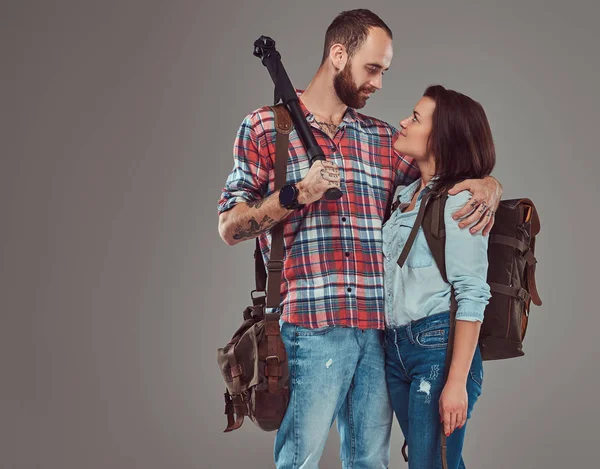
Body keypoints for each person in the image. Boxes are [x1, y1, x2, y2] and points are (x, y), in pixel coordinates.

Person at [218, 10, 501, 469]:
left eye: (384, 71)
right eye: (373, 68)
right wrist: (295, 194)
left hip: (379, 336)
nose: (380, 83)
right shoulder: (266, 129)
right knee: (298, 462)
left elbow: (448, 168)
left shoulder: (381, 140)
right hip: (310, 328)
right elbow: (230, 226)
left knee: (370, 462)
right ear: (338, 55)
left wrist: (489, 184)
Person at [383, 85, 495, 469]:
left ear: (442, 136)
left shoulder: (462, 202)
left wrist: (457, 382)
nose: (403, 121)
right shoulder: (404, 195)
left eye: (416, 118)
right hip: (396, 349)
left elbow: (472, 293)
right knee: (432, 463)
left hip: (437, 349)